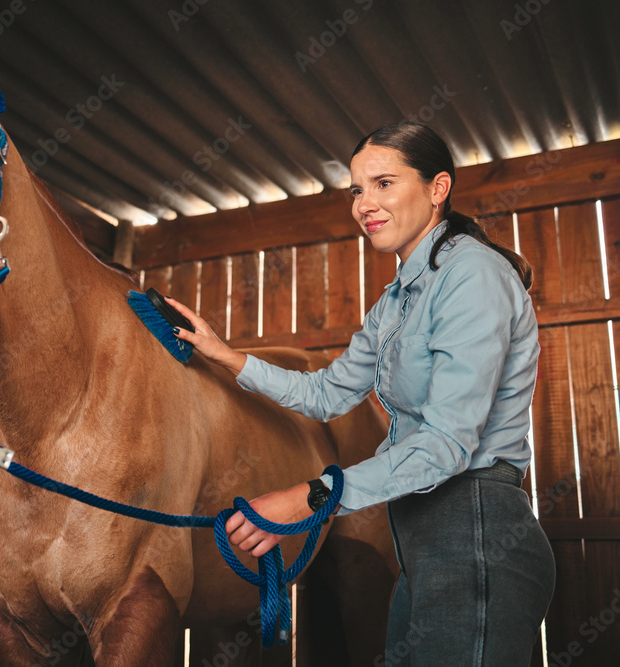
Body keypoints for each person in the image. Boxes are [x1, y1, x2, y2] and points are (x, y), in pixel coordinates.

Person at [166, 121, 556, 664]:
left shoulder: (474, 276)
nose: (365, 204)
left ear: (437, 188)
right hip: (420, 541)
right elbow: (326, 394)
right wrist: (227, 356)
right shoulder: (396, 300)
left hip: (476, 535)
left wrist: (307, 498)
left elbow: (446, 444)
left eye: (384, 184)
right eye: (356, 190)